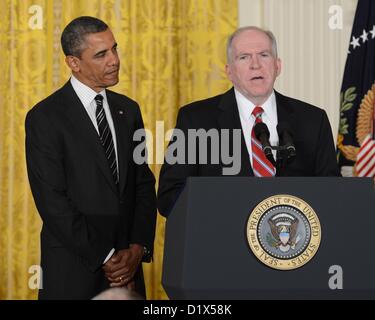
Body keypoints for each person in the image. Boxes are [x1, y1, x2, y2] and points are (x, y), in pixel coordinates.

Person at [25, 16, 156, 299]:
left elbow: (143, 183)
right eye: (101, 54)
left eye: (114, 49)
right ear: (74, 63)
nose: (114, 60)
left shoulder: (129, 110)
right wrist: (106, 257)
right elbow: (52, 201)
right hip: (73, 271)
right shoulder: (45, 117)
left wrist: (137, 248)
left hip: (128, 269)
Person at [157, 26, 340, 216]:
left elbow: (333, 194)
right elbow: (169, 196)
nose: (255, 65)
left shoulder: (312, 120)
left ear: (278, 66)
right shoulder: (196, 119)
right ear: (229, 71)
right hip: (221, 240)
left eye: (264, 55)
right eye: (244, 57)